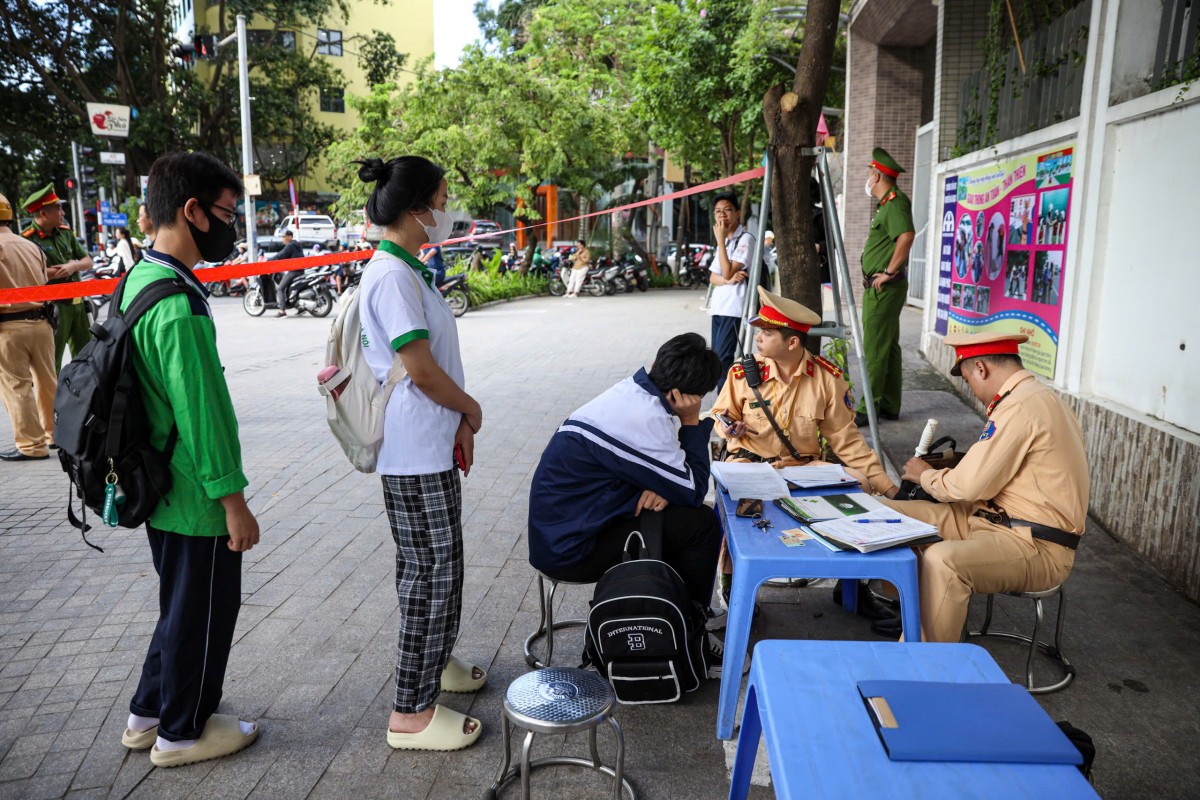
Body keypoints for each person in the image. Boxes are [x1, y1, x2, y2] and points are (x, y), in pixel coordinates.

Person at [119, 151, 260, 767]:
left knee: (180, 605)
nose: (231, 226)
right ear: (191, 211)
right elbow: (204, 418)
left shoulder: (140, 279)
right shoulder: (179, 306)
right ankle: (181, 732)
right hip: (193, 493)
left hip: (157, 484)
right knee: (204, 611)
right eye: (227, 213)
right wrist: (235, 503)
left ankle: (148, 713)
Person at [355, 155, 486, 752]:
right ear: (414, 210)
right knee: (428, 577)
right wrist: (469, 408)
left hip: (429, 443)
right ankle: (410, 709)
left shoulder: (409, 268)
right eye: (441, 197)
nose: (447, 208)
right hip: (411, 450)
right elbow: (421, 370)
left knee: (443, 567)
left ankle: (438, 661)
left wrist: (458, 420)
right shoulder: (390, 276)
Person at [874, 332, 1089, 642]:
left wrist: (924, 476)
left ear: (980, 369)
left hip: (1035, 544)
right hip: (992, 521)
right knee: (885, 515)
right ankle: (910, 617)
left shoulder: (1021, 407)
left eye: (968, 380)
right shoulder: (1030, 398)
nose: (972, 390)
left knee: (943, 560)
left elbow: (966, 487)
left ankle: (920, 670)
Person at [710, 287, 898, 616]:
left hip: (802, 469)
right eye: (759, 332)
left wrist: (889, 487)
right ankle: (733, 585)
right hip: (750, 464)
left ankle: (853, 583)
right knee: (740, 510)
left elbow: (847, 441)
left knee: (861, 488)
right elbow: (720, 414)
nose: (758, 338)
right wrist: (726, 427)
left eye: (767, 333)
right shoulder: (743, 373)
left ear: (792, 342)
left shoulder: (827, 379)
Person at [528, 333, 724, 613]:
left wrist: (666, 487)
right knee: (701, 524)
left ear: (657, 361)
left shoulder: (631, 392)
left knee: (674, 513)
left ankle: (671, 612)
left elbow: (671, 477)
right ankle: (690, 625)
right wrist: (692, 422)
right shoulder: (647, 418)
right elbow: (693, 490)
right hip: (571, 551)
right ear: (691, 396)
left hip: (560, 532)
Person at [856, 147, 915, 427]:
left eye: (869, 174)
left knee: (874, 348)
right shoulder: (889, 205)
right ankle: (890, 404)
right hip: (882, 287)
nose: (867, 179)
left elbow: (906, 236)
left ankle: (869, 407)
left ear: (877, 175)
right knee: (888, 346)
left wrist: (889, 272)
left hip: (883, 289)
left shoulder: (894, 204)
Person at [0, 192, 57, 463]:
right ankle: (55, 435)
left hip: (9, 329)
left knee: (17, 386)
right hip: (42, 324)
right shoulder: (30, 245)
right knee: (48, 383)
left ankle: (32, 446)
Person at [20, 183, 93, 371]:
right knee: (53, 361)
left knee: (86, 357)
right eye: (57, 208)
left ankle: (81, 397)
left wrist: (73, 265)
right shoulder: (27, 239)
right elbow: (27, 273)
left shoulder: (65, 233)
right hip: (53, 308)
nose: (62, 211)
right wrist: (52, 272)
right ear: (43, 214)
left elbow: (88, 261)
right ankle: (55, 399)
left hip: (78, 303)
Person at [708, 191, 752, 393]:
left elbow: (724, 271)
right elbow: (713, 277)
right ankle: (722, 405)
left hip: (734, 307)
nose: (722, 216)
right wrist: (728, 280)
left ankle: (724, 406)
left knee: (723, 357)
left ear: (737, 212)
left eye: (727, 210)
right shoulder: (725, 242)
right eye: (718, 211)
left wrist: (726, 276)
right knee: (716, 357)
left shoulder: (745, 239)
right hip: (719, 306)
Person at [272, 229, 305, 317]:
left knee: (280, 288)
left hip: (294, 271)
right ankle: (300, 308)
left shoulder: (290, 246)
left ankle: (282, 310)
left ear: (290, 237)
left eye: (284, 237)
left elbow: (280, 255)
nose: (283, 239)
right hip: (301, 271)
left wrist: (269, 260)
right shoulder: (297, 244)